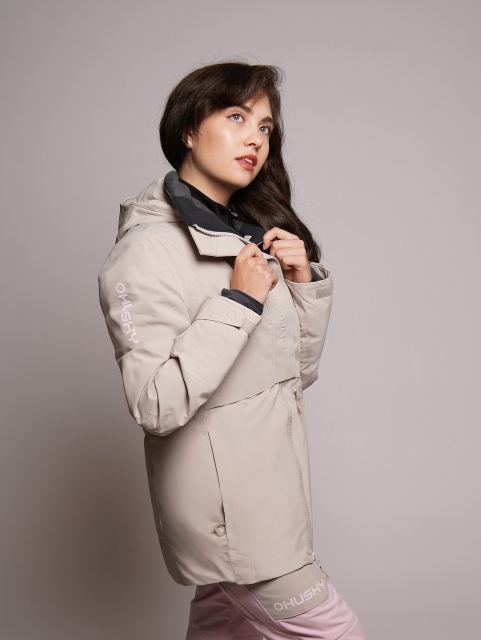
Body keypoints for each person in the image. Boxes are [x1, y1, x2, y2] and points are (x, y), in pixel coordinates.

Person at [98, 62, 367, 640]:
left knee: (220, 631)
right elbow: (155, 404)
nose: (256, 139)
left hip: (269, 497)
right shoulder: (147, 251)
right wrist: (239, 302)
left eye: (265, 127)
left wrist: (301, 284)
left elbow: (294, 375)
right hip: (234, 520)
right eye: (237, 117)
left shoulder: (242, 237)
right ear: (188, 130)